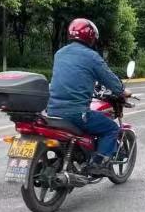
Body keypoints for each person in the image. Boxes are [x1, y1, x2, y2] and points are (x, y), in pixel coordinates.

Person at [47, 18, 130, 175]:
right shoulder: (92, 57)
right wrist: (122, 91)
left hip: (52, 111)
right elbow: (108, 78)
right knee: (111, 128)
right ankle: (98, 165)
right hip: (76, 113)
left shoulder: (59, 54)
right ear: (91, 37)